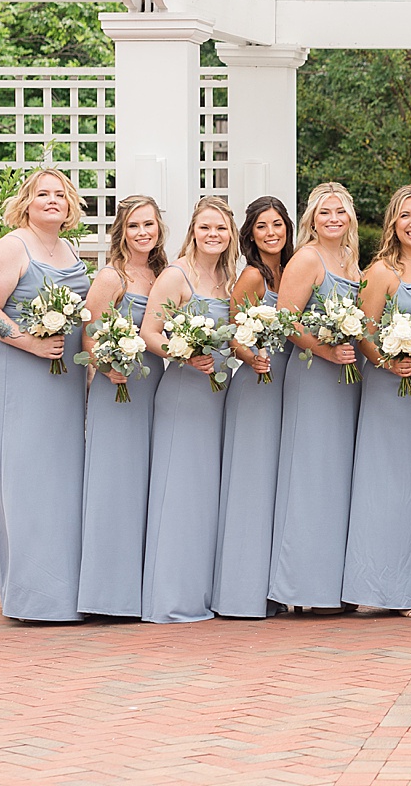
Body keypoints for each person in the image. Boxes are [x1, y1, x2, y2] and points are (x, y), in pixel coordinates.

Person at [0, 168, 92, 622]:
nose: (52, 200)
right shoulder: (12, 246)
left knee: (62, 480)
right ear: (26, 202)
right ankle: (33, 598)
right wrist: (30, 342)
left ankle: (64, 591)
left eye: (60, 194)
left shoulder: (67, 248)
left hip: (62, 380)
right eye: (43, 193)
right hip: (20, 374)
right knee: (26, 479)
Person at [342, 186, 411, 617]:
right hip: (393, 390)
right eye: (405, 215)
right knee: (388, 486)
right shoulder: (382, 271)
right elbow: (364, 330)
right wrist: (388, 362)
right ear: (393, 222)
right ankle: (385, 588)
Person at [138, 196, 240, 624]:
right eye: (205, 228)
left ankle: (202, 590)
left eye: (220, 228)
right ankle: (172, 597)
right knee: (179, 494)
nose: (213, 235)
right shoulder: (175, 275)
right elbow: (149, 332)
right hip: (183, 393)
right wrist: (181, 354)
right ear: (193, 232)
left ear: (230, 234)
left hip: (217, 394)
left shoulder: (229, 279)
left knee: (205, 496)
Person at [270, 183, 364, 612]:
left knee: (336, 478)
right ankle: (303, 590)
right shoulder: (306, 258)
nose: (332, 219)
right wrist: (327, 350)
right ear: (312, 217)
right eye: (324, 212)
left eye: (339, 212)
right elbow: (287, 322)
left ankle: (332, 585)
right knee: (310, 476)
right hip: (312, 375)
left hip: (346, 379)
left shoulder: (350, 261)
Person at [77, 194, 167, 619]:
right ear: (121, 231)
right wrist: (108, 365)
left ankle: (143, 588)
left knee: (148, 485)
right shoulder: (111, 277)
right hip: (118, 389)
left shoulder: (162, 274)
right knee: (115, 484)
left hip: (154, 387)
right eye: (134, 226)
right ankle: (107, 594)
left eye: (149, 224)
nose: (143, 232)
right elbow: (89, 336)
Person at [212, 195, 293, 619]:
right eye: (262, 226)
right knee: (254, 484)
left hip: (291, 384)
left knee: (279, 485)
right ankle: (243, 593)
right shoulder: (251, 276)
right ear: (250, 234)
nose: (271, 233)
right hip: (259, 384)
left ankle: (275, 587)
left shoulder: (292, 270)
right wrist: (251, 357)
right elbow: (232, 333)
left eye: (277, 224)